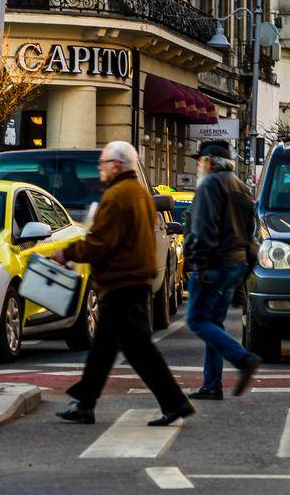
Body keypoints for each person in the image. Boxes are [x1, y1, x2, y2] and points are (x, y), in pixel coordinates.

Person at [54, 142, 192, 427]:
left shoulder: (117, 196)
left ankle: (175, 401)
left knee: (138, 349)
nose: (100, 169)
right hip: (133, 280)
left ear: (116, 165)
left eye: (104, 163)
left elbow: (101, 242)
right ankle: (85, 402)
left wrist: (67, 253)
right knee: (105, 348)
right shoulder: (139, 194)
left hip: (122, 283)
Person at [184, 139, 260, 401]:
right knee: (213, 322)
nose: (198, 167)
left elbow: (203, 229)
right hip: (235, 263)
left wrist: (197, 262)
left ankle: (243, 359)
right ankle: (211, 384)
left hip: (214, 263)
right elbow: (250, 230)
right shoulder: (240, 186)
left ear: (208, 162)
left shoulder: (210, 185)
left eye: (199, 162)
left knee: (196, 320)